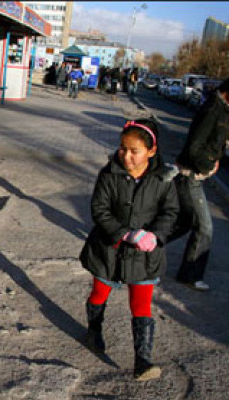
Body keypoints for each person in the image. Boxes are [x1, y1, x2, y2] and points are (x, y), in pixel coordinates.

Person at [79, 119, 179, 381]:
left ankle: (143, 360)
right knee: (100, 292)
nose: (127, 156)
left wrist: (155, 235)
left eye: (134, 151)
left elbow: (171, 212)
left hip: (144, 254)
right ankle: (94, 330)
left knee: (142, 303)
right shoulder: (109, 173)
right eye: (123, 148)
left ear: (151, 151)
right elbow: (99, 209)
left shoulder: (163, 179)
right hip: (109, 249)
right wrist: (124, 233)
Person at [169, 74, 229, 291]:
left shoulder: (223, 109)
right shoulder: (213, 110)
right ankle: (190, 275)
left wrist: (214, 160)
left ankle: (142, 248)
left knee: (184, 223)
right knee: (204, 227)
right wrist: (207, 165)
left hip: (192, 173)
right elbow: (194, 148)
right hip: (190, 174)